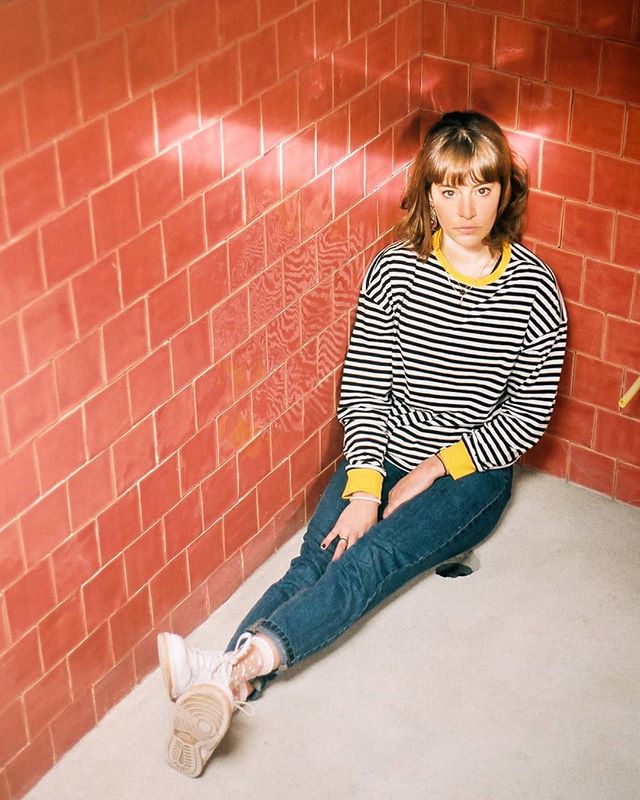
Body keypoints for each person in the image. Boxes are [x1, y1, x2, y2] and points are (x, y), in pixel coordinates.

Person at [156, 110, 568, 778]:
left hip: (472, 473)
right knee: (312, 562)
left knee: (368, 562)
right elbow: (365, 391)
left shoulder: (535, 292)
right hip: (383, 449)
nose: (467, 208)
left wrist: (433, 469)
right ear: (428, 193)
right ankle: (226, 683)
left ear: (504, 193)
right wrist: (366, 485)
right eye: (451, 189)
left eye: (483, 189)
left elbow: (526, 419)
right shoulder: (397, 270)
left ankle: (242, 662)